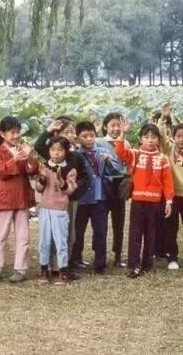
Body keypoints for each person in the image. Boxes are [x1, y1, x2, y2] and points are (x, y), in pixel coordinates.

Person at [115, 122, 175, 278]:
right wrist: (123, 134)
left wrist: (169, 201)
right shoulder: (135, 154)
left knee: (151, 234)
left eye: (153, 137)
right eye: (146, 137)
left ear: (158, 139)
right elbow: (120, 152)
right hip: (138, 201)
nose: (150, 140)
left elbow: (167, 182)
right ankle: (134, 266)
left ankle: (147, 265)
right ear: (141, 139)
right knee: (135, 234)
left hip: (155, 202)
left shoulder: (163, 159)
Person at [0, 116, 39, 284]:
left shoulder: (21, 149)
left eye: (18, 132)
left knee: (23, 235)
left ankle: (20, 268)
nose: (16, 135)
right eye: (12, 132)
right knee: (1, 235)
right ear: (2, 134)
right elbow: (0, 172)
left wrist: (30, 157)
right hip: (4, 199)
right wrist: (14, 159)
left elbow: (32, 172)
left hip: (22, 197)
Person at [71, 121, 122, 274]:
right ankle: (75, 259)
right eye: (84, 136)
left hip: (100, 198)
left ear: (96, 135)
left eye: (91, 135)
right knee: (78, 231)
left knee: (100, 231)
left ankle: (100, 263)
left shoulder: (102, 152)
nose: (89, 139)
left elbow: (115, 172)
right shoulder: (76, 154)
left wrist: (108, 163)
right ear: (78, 138)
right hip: (81, 198)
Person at [35, 136, 78, 285]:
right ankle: (44, 270)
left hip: (60, 210)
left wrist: (61, 182)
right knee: (44, 241)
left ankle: (62, 271)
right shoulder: (44, 166)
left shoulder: (70, 169)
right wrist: (42, 179)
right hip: (45, 209)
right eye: (53, 150)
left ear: (66, 152)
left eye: (60, 150)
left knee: (61, 241)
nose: (56, 153)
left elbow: (70, 190)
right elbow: (38, 188)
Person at [96, 112, 131, 267]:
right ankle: (100, 255)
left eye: (119, 125)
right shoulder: (98, 142)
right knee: (101, 222)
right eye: (112, 125)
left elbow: (128, 164)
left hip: (119, 184)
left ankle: (118, 255)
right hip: (104, 184)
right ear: (105, 127)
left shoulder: (126, 143)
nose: (116, 129)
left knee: (119, 221)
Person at [157, 108, 183, 270]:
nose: (182, 139)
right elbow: (161, 135)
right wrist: (163, 117)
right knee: (171, 228)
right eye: (179, 136)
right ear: (174, 137)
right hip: (172, 196)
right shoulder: (169, 148)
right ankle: (172, 257)